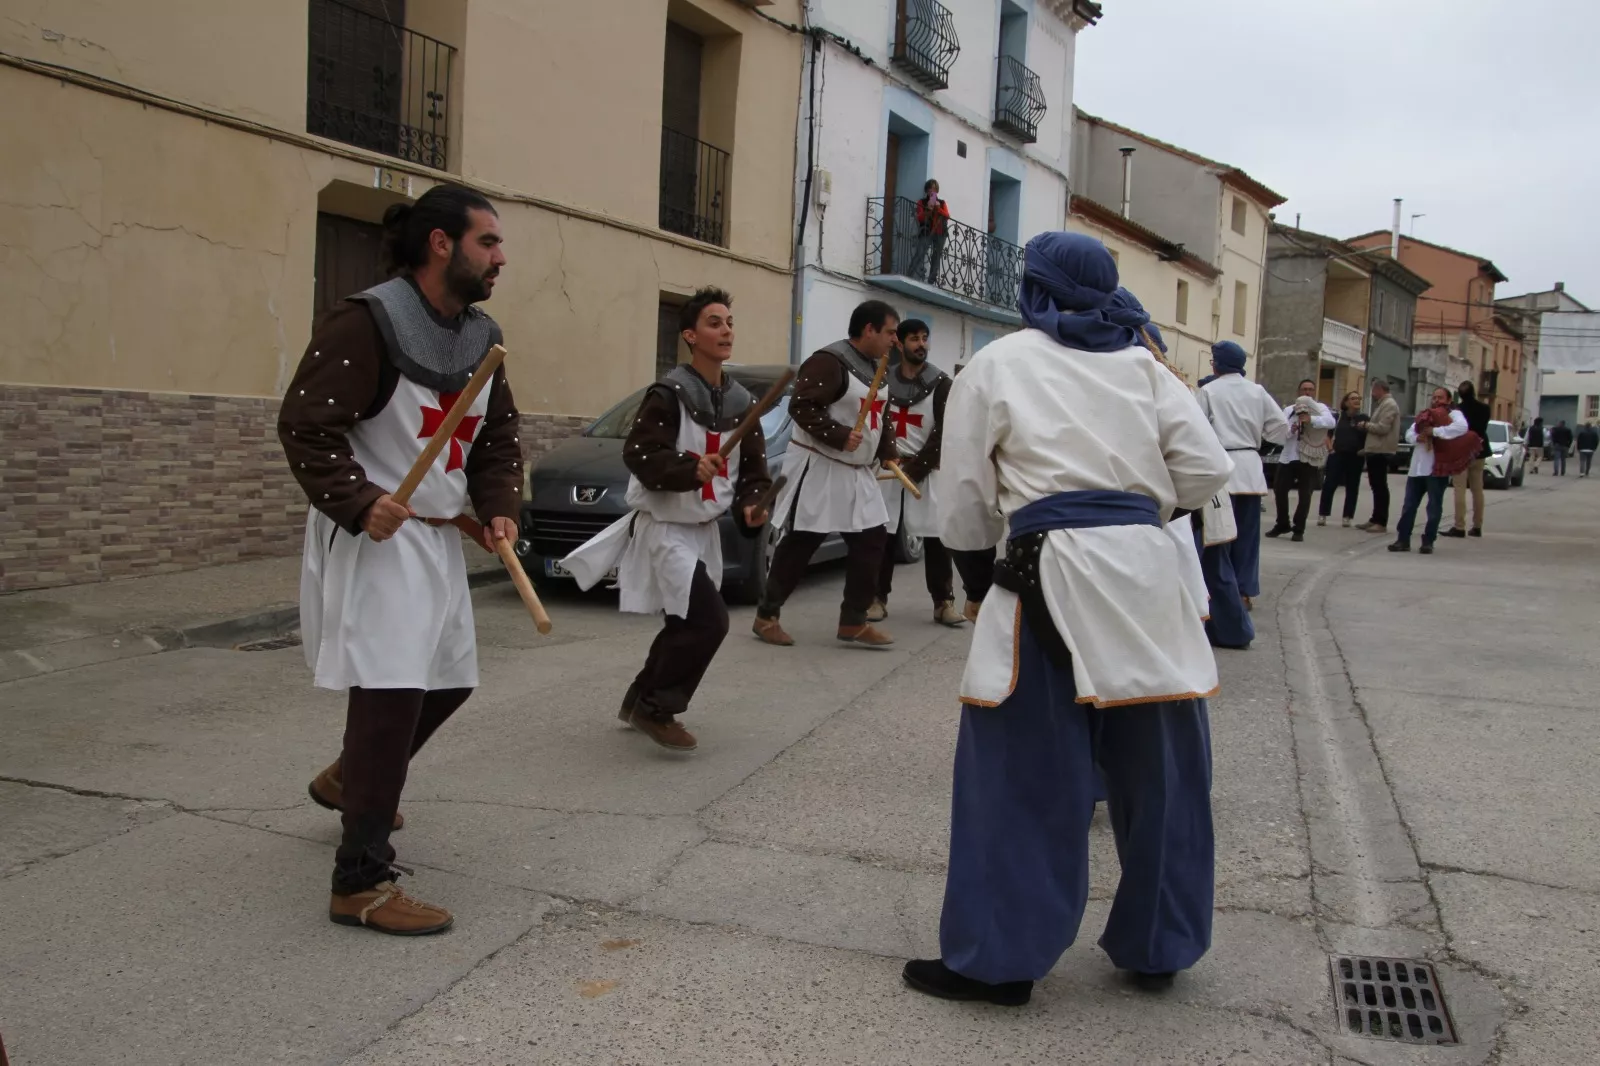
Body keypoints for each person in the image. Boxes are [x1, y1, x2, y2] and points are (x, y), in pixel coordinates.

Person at [902, 232, 1233, 1007]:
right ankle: (1162, 946)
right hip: (1147, 576)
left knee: (1022, 770)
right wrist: (1135, 516)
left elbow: (962, 499)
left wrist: (982, 578)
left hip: (1047, 572)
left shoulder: (1001, 361)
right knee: (1164, 769)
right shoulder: (1144, 366)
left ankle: (999, 960)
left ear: (1035, 289)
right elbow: (1207, 470)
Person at [282, 183, 521, 935]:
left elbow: (494, 438)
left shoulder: (483, 338)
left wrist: (498, 505)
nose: (500, 257)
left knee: (448, 683)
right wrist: (359, 501)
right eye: (488, 242)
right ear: (441, 244)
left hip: (436, 539)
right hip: (379, 536)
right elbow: (304, 427)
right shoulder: (366, 322)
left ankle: (354, 777)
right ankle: (360, 879)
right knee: (390, 697)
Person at [560, 288, 771, 752]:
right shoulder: (668, 394)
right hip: (665, 527)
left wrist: (754, 507)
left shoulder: (742, 403)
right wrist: (686, 469)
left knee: (684, 620)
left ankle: (639, 699)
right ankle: (658, 707)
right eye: (715, 323)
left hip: (704, 531)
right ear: (691, 336)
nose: (726, 330)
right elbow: (639, 454)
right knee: (708, 622)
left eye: (730, 322)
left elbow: (755, 475)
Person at [755, 300, 902, 648]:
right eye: (890, 332)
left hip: (856, 471)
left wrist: (888, 452)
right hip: (821, 465)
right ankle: (766, 615)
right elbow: (801, 406)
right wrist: (838, 434)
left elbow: (882, 417)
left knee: (872, 540)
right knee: (802, 542)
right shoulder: (828, 362)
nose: (894, 341)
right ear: (869, 330)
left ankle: (853, 620)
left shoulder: (877, 365)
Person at [870, 318, 981, 628]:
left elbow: (946, 430)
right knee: (884, 536)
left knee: (936, 538)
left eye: (924, 338)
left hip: (927, 470)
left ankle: (943, 602)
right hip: (890, 468)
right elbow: (876, 421)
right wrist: (887, 456)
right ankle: (877, 598)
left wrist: (917, 467)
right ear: (901, 344)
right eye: (914, 339)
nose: (921, 345)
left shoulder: (942, 383)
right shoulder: (883, 380)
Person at [1197, 341, 1289, 648]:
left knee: (1220, 536)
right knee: (1248, 535)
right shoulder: (1257, 391)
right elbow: (1281, 426)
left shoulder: (1209, 391)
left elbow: (1196, 426)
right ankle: (1245, 589)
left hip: (1221, 465)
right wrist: (1259, 442)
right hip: (1249, 466)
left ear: (1217, 364)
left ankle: (1223, 593)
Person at [1389, 387, 1469, 555]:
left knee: (1433, 507)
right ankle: (1403, 539)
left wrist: (1436, 431)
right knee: (1409, 506)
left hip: (1437, 469)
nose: (1436, 400)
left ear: (1448, 400)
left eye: (1440, 397)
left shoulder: (1453, 415)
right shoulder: (1425, 415)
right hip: (1417, 469)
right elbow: (1410, 432)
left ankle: (1428, 541)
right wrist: (1418, 437)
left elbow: (1462, 427)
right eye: (1434, 397)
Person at [1266, 380, 1335, 542]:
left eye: (1310, 389)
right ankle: (1282, 523)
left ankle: (1299, 528)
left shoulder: (1320, 408)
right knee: (1279, 489)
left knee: (1305, 493)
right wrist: (1292, 430)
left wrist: (1311, 419)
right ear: (1299, 391)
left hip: (1308, 456)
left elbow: (1330, 422)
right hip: (1289, 455)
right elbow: (1281, 433)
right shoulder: (1289, 410)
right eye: (1304, 389)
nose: (1307, 392)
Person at [1446, 380, 1492, 538]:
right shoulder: (1485, 408)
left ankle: (1459, 526)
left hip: (1461, 450)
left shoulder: (1458, 410)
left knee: (1459, 488)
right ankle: (1478, 525)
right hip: (1479, 449)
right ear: (1473, 392)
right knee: (1477, 489)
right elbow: (1482, 428)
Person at [1317, 391, 1367, 527]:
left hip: (1356, 457)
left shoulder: (1364, 418)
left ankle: (1347, 516)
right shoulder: (1338, 417)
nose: (1356, 401)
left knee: (1352, 487)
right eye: (1353, 398)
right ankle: (1323, 514)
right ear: (1346, 402)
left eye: (1358, 398)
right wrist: (1331, 450)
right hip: (1337, 455)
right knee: (1329, 485)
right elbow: (1327, 435)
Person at [1359, 380, 1400, 532]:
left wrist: (1365, 425)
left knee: (1380, 486)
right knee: (1376, 486)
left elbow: (1383, 428)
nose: (1372, 393)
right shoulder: (1382, 404)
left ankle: (1381, 521)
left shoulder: (1389, 404)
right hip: (1375, 450)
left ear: (1379, 389)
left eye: (1373, 390)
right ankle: (1375, 518)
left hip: (1382, 451)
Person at [911, 180, 951, 285]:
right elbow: (919, 218)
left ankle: (931, 281)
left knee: (936, 256)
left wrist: (938, 209)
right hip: (926, 232)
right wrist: (927, 210)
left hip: (940, 232)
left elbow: (947, 216)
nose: (931, 192)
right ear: (926, 191)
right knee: (920, 253)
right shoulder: (921, 202)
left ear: (937, 191)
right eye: (929, 189)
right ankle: (910, 275)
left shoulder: (942, 203)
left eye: (933, 189)